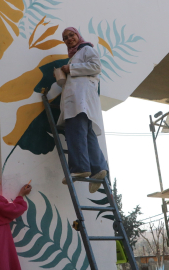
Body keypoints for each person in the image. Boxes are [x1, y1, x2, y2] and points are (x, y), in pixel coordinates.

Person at [57, 27, 108, 193]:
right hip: (81, 100)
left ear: (78, 36)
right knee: (87, 135)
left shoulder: (86, 49)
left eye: (71, 35)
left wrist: (70, 69)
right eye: (65, 37)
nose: (69, 39)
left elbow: (95, 66)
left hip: (80, 100)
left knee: (75, 131)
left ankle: (80, 167)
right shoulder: (74, 55)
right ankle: (98, 168)